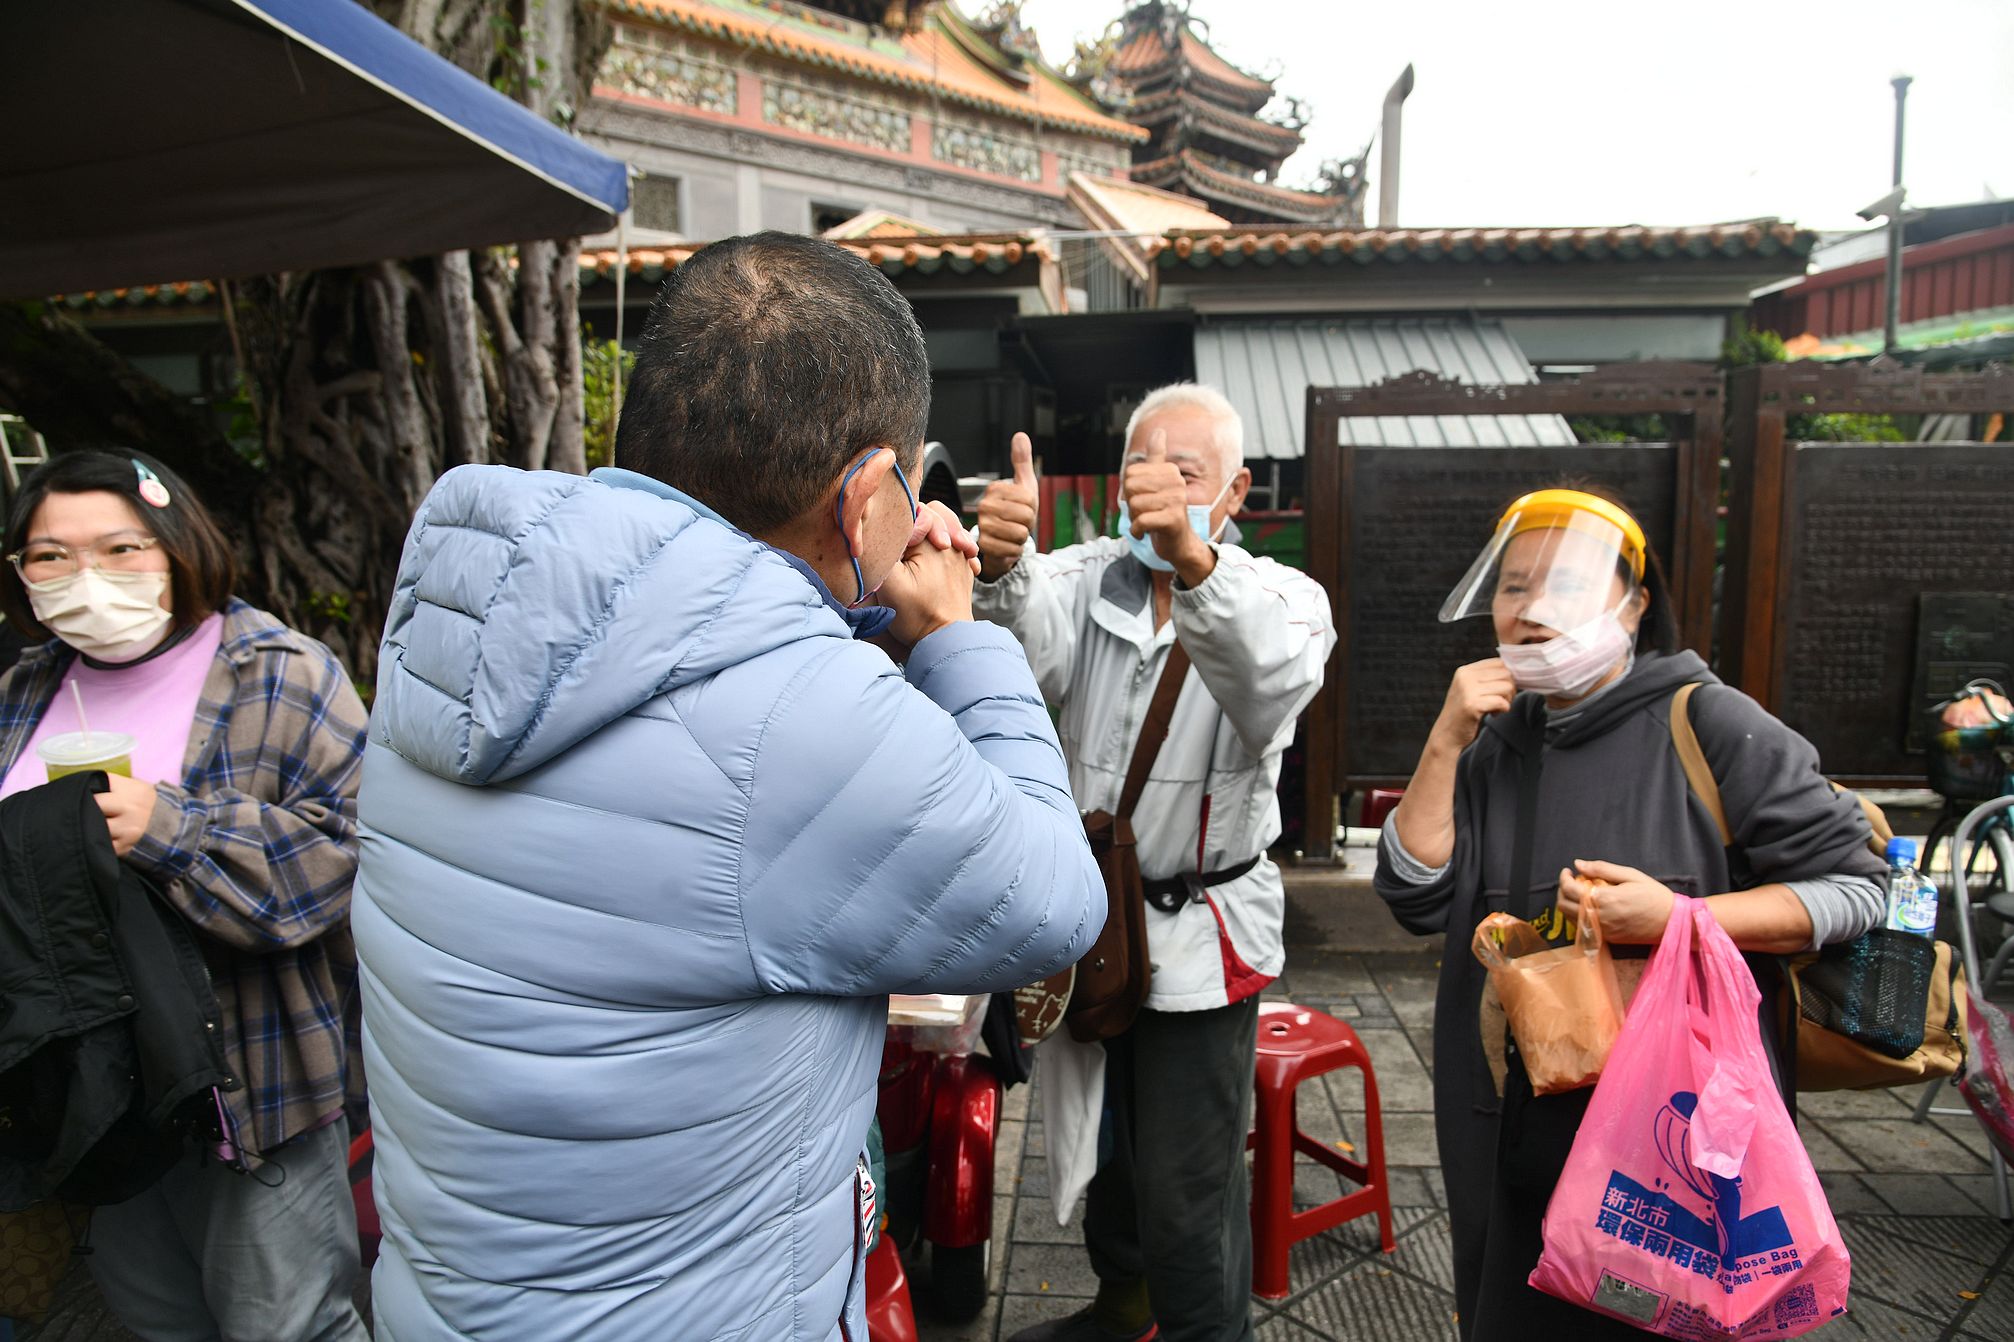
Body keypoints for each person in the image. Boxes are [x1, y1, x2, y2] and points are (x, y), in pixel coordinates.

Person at [352, 231, 1104, 1341]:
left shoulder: (462, 624)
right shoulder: (797, 715)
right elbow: (1051, 900)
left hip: (456, 1292)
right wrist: (956, 633)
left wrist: (849, 607)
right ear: (862, 499)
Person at [1373, 488, 1887, 1341]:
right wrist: (1443, 741)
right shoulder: (1495, 739)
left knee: (1659, 1318)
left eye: (1566, 586)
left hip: (1672, 1133)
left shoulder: (1709, 720)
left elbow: (1855, 889)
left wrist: (1682, 915)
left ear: (1636, 604)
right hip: (1511, 1116)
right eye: (1513, 587)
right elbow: (1416, 898)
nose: (1532, 609)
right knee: (1511, 1303)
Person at [975, 384, 1335, 1342]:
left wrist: (1193, 561)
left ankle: (1202, 1330)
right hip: (1093, 919)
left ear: (1238, 491)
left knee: (1189, 1187)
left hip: (1203, 938)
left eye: (1191, 474)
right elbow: (1023, 663)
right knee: (1104, 1153)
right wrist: (1003, 566)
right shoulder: (1085, 572)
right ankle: (1119, 1308)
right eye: (1150, 469)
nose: (1165, 492)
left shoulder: (1287, 600)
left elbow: (1266, 689)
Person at [0, 450, 371, 1341]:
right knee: (156, 1323)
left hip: (253, 1090)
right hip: (97, 1099)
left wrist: (170, 830)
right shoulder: (22, 691)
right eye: (49, 556)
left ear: (176, 547)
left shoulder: (278, 672)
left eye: (120, 548)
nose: (83, 576)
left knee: (288, 1324)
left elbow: (350, 858)